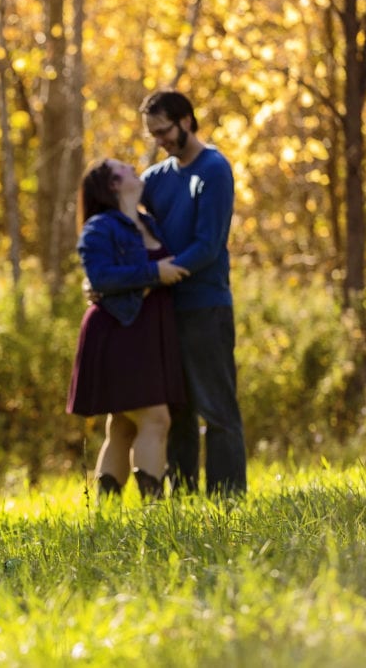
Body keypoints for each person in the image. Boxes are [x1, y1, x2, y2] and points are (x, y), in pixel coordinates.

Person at [138, 89, 247, 495]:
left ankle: (227, 498)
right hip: (166, 311)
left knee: (217, 409)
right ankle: (183, 495)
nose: (159, 141)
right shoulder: (155, 179)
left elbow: (209, 244)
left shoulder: (214, 169)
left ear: (186, 121)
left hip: (206, 307)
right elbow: (120, 212)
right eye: (153, 134)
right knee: (177, 410)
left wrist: (159, 272)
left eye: (163, 131)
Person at [67, 158, 189, 499]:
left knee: (122, 424)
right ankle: (153, 508)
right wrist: (154, 274)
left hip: (145, 332)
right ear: (112, 185)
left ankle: (108, 509)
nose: (136, 170)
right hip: (117, 332)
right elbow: (101, 276)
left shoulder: (148, 221)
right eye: (125, 169)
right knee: (156, 418)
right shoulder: (100, 227)